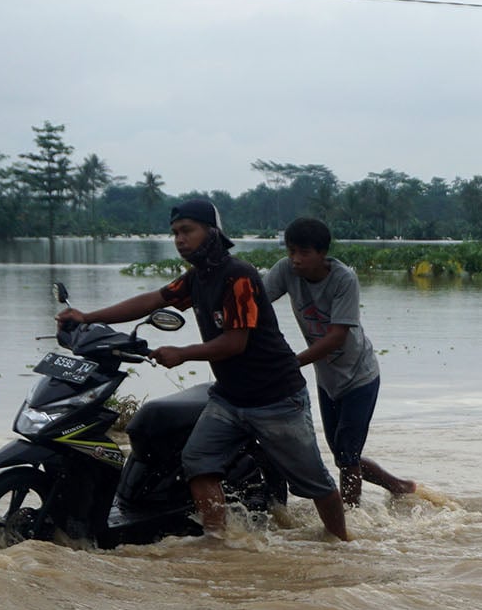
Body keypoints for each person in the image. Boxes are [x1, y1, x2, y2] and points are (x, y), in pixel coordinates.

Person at [56, 198, 350, 541]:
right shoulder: (198, 278)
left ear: (212, 232)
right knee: (197, 462)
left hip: (275, 397)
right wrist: (87, 317)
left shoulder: (238, 276)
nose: (180, 240)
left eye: (187, 231)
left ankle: (341, 544)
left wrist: (183, 353)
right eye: (175, 233)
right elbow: (153, 300)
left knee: (313, 481)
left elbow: (234, 343)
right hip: (229, 397)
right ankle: (220, 542)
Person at [261, 217, 415, 507]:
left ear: (322, 253)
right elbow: (254, 303)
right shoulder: (285, 271)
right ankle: (399, 486)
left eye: (304, 253)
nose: (295, 260)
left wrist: (289, 363)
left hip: (359, 376)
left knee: (346, 454)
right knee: (343, 455)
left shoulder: (343, 279)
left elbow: (336, 337)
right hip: (327, 378)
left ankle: (349, 518)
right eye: (292, 251)